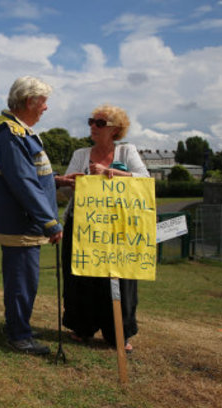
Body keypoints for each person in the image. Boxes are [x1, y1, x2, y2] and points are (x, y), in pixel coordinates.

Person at [55, 104, 150, 353]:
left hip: (118, 228)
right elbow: (65, 191)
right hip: (83, 225)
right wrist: (72, 184)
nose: (92, 127)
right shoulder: (81, 154)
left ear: (115, 129)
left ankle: (119, 332)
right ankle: (81, 327)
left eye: (99, 123)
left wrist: (109, 173)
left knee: (119, 279)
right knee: (81, 277)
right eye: (91, 121)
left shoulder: (127, 152)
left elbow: (145, 181)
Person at [0, 76, 63, 356]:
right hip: (22, 225)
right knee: (22, 282)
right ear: (30, 101)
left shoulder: (16, 132)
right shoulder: (11, 135)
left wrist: (58, 180)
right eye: (43, 102)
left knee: (22, 280)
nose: (45, 108)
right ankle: (19, 335)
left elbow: (30, 176)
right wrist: (50, 222)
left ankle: (17, 325)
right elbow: (23, 184)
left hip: (22, 222)